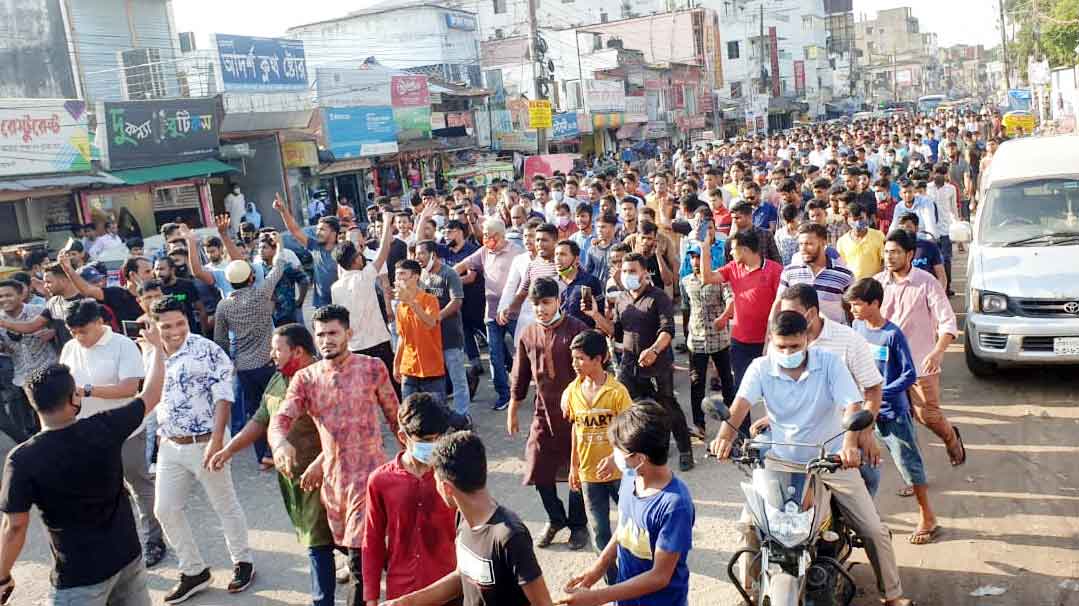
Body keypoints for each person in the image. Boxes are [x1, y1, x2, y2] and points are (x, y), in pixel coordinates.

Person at [709, 311, 910, 606]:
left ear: (806, 339)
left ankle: (892, 595)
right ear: (771, 342)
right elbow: (739, 405)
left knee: (872, 529)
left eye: (794, 346)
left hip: (828, 460)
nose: (787, 352)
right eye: (781, 347)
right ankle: (750, 593)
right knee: (748, 527)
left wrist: (850, 446)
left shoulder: (829, 364)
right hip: (778, 462)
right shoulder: (760, 367)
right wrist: (724, 437)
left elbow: (852, 405)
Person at [0, 336, 164, 605]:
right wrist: (156, 348)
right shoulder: (105, 426)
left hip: (79, 574)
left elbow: (15, 525)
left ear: (33, 403)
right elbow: (152, 393)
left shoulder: (22, 459)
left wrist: (2, 576)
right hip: (127, 556)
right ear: (74, 397)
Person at [269, 304, 401, 606]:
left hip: (371, 481)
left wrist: (416, 459)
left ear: (348, 334)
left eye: (333, 333)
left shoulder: (372, 368)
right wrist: (280, 444)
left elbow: (396, 419)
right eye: (320, 334)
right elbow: (280, 419)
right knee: (360, 553)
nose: (326, 339)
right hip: (334, 484)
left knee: (357, 564)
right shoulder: (306, 379)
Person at [208, 324, 336, 606]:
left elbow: (341, 433)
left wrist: (320, 463)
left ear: (298, 351)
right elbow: (261, 419)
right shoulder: (278, 379)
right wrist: (228, 450)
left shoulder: (323, 380)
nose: (271, 355)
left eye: (278, 349)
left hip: (327, 474)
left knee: (319, 543)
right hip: (295, 478)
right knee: (324, 537)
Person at [148, 295, 255, 603]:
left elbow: (224, 396)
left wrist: (217, 440)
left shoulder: (207, 350)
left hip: (206, 443)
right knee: (165, 509)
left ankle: (243, 561)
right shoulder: (153, 352)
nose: (174, 331)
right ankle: (193, 570)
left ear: (188, 320)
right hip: (170, 445)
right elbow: (154, 394)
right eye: (166, 326)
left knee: (224, 504)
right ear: (156, 325)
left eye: (180, 323)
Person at [381, 431, 557, 606]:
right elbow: (462, 575)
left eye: (435, 479)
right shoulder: (463, 519)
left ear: (447, 488)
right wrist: (406, 602)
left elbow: (543, 603)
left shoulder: (509, 536)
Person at [59, 300, 166, 567]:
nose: (77, 337)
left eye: (82, 330)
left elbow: (130, 388)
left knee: (139, 486)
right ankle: (116, 543)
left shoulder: (122, 345)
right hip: (87, 432)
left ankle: (154, 540)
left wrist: (87, 390)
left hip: (125, 430)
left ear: (99, 323)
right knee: (103, 490)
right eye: (72, 331)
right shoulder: (70, 348)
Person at [561, 401, 696, 606]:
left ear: (640, 458)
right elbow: (625, 528)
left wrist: (597, 598)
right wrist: (597, 570)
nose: (616, 455)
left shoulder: (674, 505)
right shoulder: (630, 478)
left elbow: (659, 576)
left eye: (619, 450)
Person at [847, 278, 939, 544]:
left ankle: (927, 517)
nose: (852, 310)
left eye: (857, 305)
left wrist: (879, 393)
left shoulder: (892, 335)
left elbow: (910, 374)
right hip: (865, 414)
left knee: (909, 465)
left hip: (892, 413)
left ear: (875, 304)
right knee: (861, 465)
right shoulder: (856, 329)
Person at [585, 253, 695, 472]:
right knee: (632, 410)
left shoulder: (658, 298)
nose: (627, 275)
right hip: (628, 365)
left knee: (667, 407)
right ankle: (644, 451)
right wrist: (595, 315)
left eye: (632, 271)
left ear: (645, 273)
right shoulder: (622, 299)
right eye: (624, 271)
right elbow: (614, 332)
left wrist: (654, 350)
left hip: (657, 366)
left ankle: (685, 450)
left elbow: (667, 331)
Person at [509, 277, 589, 550]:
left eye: (546, 302)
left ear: (558, 301)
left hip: (576, 413)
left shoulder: (576, 328)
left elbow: (591, 369)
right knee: (538, 467)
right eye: (536, 304)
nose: (541, 308)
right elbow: (520, 374)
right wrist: (513, 408)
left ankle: (579, 526)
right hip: (543, 411)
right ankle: (556, 518)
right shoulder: (528, 333)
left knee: (577, 471)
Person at [875, 231, 966, 469]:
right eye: (886, 252)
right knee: (898, 421)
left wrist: (937, 352)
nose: (889, 257)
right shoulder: (877, 283)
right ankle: (913, 476)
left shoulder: (927, 283)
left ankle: (951, 438)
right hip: (886, 367)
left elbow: (947, 321)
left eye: (895, 252)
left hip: (920, 364)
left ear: (910, 255)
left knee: (927, 416)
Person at [362, 393, 457, 604]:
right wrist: (371, 597)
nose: (433, 446)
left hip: (450, 589)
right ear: (403, 437)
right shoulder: (380, 481)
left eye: (437, 439)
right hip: (402, 591)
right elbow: (373, 540)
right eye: (425, 441)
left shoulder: (454, 474)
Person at [212, 233, 288, 468]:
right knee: (276, 408)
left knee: (256, 412)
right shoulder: (260, 292)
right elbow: (279, 267)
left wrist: (230, 364)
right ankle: (275, 451)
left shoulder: (223, 305)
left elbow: (220, 340)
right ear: (251, 277)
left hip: (244, 367)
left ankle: (262, 457)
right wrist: (280, 245)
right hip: (267, 361)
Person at [563, 329, 633, 585]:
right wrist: (573, 466)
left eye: (580, 358)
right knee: (599, 532)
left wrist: (616, 458)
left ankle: (636, 575)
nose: (575, 364)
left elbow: (628, 432)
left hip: (620, 474)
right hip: (589, 474)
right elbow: (576, 429)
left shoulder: (617, 393)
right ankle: (613, 585)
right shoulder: (573, 392)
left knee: (634, 527)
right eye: (574, 358)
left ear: (599, 358)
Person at [699, 229, 783, 436]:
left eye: (733, 249)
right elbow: (707, 277)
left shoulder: (775, 270)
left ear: (745, 249)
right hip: (740, 342)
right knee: (742, 390)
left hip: (769, 342)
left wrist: (771, 340)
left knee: (775, 390)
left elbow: (781, 307)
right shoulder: (733, 268)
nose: (730, 254)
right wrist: (704, 248)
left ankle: (777, 430)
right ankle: (744, 437)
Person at [456, 218, 522, 414]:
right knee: (495, 354)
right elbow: (462, 265)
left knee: (523, 352)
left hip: (514, 312)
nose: (484, 238)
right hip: (492, 313)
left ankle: (526, 386)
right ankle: (504, 394)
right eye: (483, 234)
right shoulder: (484, 251)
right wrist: (445, 276)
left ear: (498, 236)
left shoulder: (517, 253)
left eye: (487, 235)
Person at [681, 249, 735, 439]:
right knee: (697, 383)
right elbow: (685, 308)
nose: (696, 261)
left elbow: (731, 301)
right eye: (693, 257)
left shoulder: (720, 280)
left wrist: (724, 316)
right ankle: (699, 425)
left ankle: (732, 423)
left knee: (727, 381)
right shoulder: (686, 281)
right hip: (696, 341)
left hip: (719, 339)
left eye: (699, 257)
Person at [415, 240, 470, 414]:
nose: (418, 258)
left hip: (450, 336)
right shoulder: (422, 276)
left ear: (433, 254)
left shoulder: (449, 274)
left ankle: (462, 415)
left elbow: (457, 301)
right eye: (416, 254)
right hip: (431, 339)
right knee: (437, 380)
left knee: (458, 379)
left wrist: (437, 317)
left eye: (421, 253)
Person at [0, 279, 55, 443]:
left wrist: (53, 332)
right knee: (26, 425)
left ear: (21, 294)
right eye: (0, 296)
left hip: (48, 372)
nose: (4, 299)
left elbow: (63, 331)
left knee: (50, 421)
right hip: (21, 378)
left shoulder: (39, 311)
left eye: (8, 295)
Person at [771, 223, 855, 325]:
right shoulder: (789, 272)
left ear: (824, 243)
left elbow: (852, 310)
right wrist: (770, 333)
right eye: (801, 244)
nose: (803, 249)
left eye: (809, 244)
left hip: (834, 337)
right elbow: (779, 303)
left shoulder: (844, 275)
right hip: (799, 336)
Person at [392, 259, 447, 405]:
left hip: (432, 369)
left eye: (403, 274)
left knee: (438, 414)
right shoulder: (399, 307)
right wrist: (396, 363)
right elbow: (402, 338)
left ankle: (462, 421)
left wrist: (411, 302)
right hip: (409, 369)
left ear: (416, 277)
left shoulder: (430, 300)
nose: (399, 279)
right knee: (408, 414)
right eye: (397, 275)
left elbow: (430, 322)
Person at [275, 193, 339, 307]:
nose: (318, 232)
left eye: (322, 230)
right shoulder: (315, 247)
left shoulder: (342, 252)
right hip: (321, 305)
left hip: (339, 303)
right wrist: (283, 211)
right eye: (318, 229)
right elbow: (295, 231)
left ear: (334, 233)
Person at [554, 239, 604, 328]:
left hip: (583, 337)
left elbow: (598, 316)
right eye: (556, 254)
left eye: (563, 254)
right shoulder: (553, 283)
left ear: (576, 259)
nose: (557, 258)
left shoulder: (588, 282)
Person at [895, 213, 947, 289]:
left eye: (908, 227)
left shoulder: (930, 247)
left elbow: (942, 277)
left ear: (916, 228)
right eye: (901, 228)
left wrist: (939, 296)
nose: (905, 231)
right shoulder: (893, 249)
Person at [836, 201, 886, 280]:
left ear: (866, 217)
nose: (858, 223)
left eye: (861, 218)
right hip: (853, 286)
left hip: (874, 284)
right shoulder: (842, 242)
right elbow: (841, 267)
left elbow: (884, 261)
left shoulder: (879, 236)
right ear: (848, 220)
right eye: (855, 219)